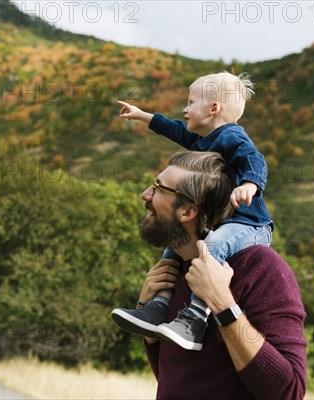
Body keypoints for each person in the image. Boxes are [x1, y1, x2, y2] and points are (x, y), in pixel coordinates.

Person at [123, 151, 306, 399]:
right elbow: (176, 382)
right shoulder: (175, 271)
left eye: (157, 188)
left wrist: (222, 302)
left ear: (187, 211)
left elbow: (289, 392)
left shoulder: (261, 267)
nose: (145, 194)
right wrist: (150, 313)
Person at [111, 72, 274, 351]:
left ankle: (194, 319)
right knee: (174, 244)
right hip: (222, 221)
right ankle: (159, 306)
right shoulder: (203, 141)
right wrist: (142, 115)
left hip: (250, 225)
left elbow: (254, 159)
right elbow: (173, 129)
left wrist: (250, 184)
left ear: (213, 109)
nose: (185, 109)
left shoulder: (231, 136)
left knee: (212, 246)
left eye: (191, 102)